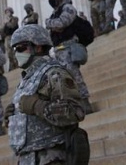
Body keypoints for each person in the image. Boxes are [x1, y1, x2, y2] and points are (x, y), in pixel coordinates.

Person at [7, 24, 87, 165]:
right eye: (15, 50)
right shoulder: (27, 79)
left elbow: (75, 112)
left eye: (21, 48)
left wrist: (36, 105)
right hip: (28, 157)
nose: (17, 53)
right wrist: (13, 117)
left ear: (38, 47)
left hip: (50, 156)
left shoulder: (53, 73)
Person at [45, 0, 93, 114]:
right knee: (63, 79)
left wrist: (49, 23)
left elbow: (61, 23)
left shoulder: (68, 8)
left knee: (74, 75)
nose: (50, 0)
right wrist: (53, 25)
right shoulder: (54, 13)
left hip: (68, 48)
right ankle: (74, 103)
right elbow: (55, 27)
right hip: (58, 50)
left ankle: (85, 101)